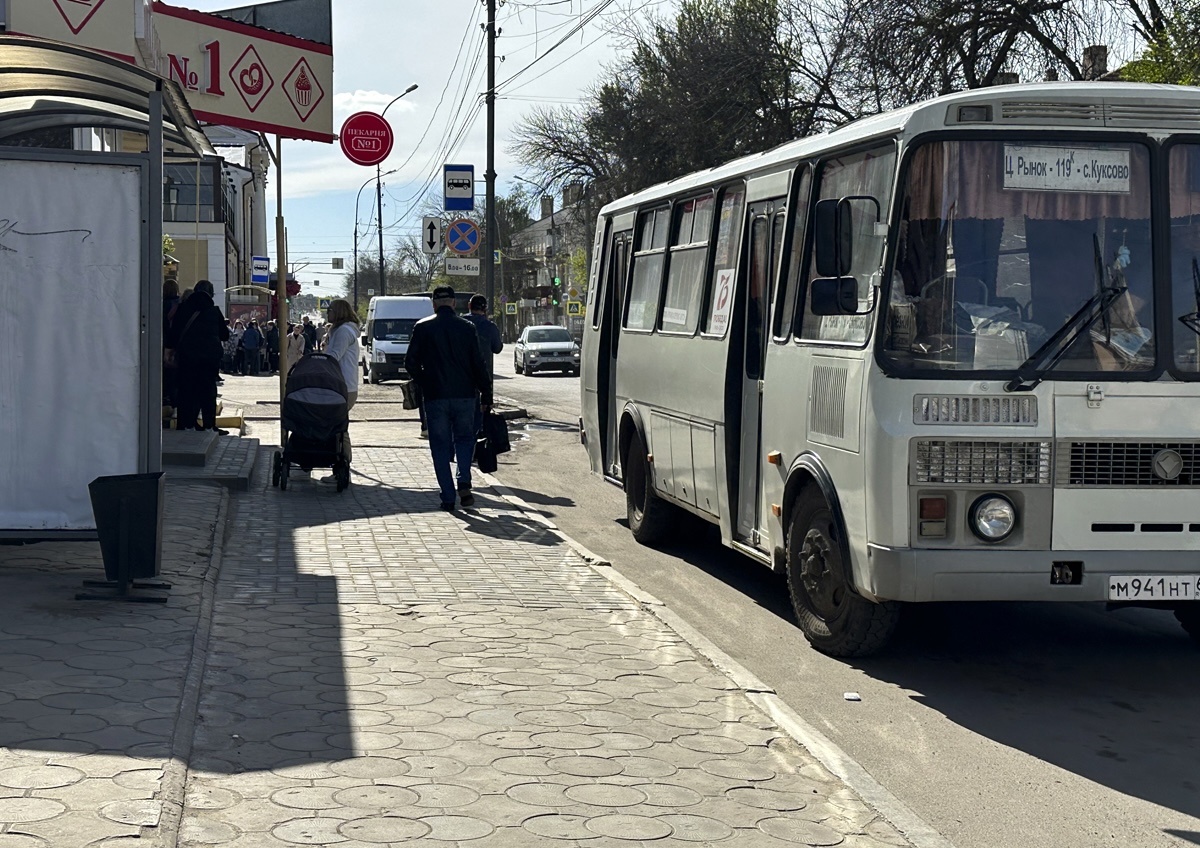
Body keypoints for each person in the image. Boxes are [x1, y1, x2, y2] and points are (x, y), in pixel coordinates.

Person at [405, 285, 492, 511]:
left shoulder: (423, 327)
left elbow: (410, 363)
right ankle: (463, 480)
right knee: (464, 439)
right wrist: (486, 395)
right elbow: (478, 364)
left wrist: (425, 380)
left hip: (435, 396)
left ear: (433, 304)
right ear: (454, 303)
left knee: (440, 446)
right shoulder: (467, 327)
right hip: (465, 395)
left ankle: (447, 497)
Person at [166, 279, 229, 432]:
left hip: (186, 358)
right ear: (211, 293)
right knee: (207, 392)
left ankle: (184, 423)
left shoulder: (182, 308)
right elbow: (225, 335)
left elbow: (174, 334)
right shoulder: (214, 311)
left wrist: (171, 350)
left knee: (186, 390)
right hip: (209, 360)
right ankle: (209, 424)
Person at [321, 299, 361, 481]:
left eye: (330, 310)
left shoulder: (344, 331)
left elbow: (334, 356)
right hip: (342, 384)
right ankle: (342, 465)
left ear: (338, 312)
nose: (327, 313)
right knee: (339, 425)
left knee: (338, 426)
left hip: (342, 385)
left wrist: (317, 363)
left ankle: (342, 466)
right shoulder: (342, 329)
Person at [463, 294, 504, 434]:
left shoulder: (460, 323)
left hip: (462, 374)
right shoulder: (489, 326)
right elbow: (497, 348)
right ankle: (478, 443)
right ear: (485, 309)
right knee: (482, 414)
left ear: (469, 306)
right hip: (484, 376)